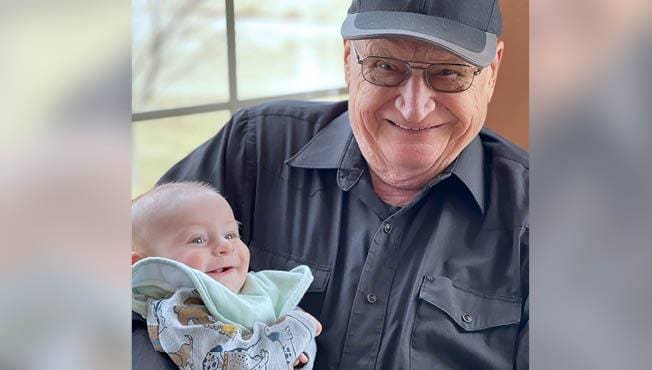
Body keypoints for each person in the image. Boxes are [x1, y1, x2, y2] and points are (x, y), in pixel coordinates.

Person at [134, 0, 528, 368]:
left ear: (491, 73)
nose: (413, 106)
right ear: (348, 61)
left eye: (448, 74)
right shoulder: (253, 148)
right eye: (385, 67)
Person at [132, 182, 321, 369]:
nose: (225, 246)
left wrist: (299, 355)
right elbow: (234, 364)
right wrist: (297, 329)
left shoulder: (257, 288)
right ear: (140, 263)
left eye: (230, 235)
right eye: (198, 240)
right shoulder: (177, 312)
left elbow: (303, 337)